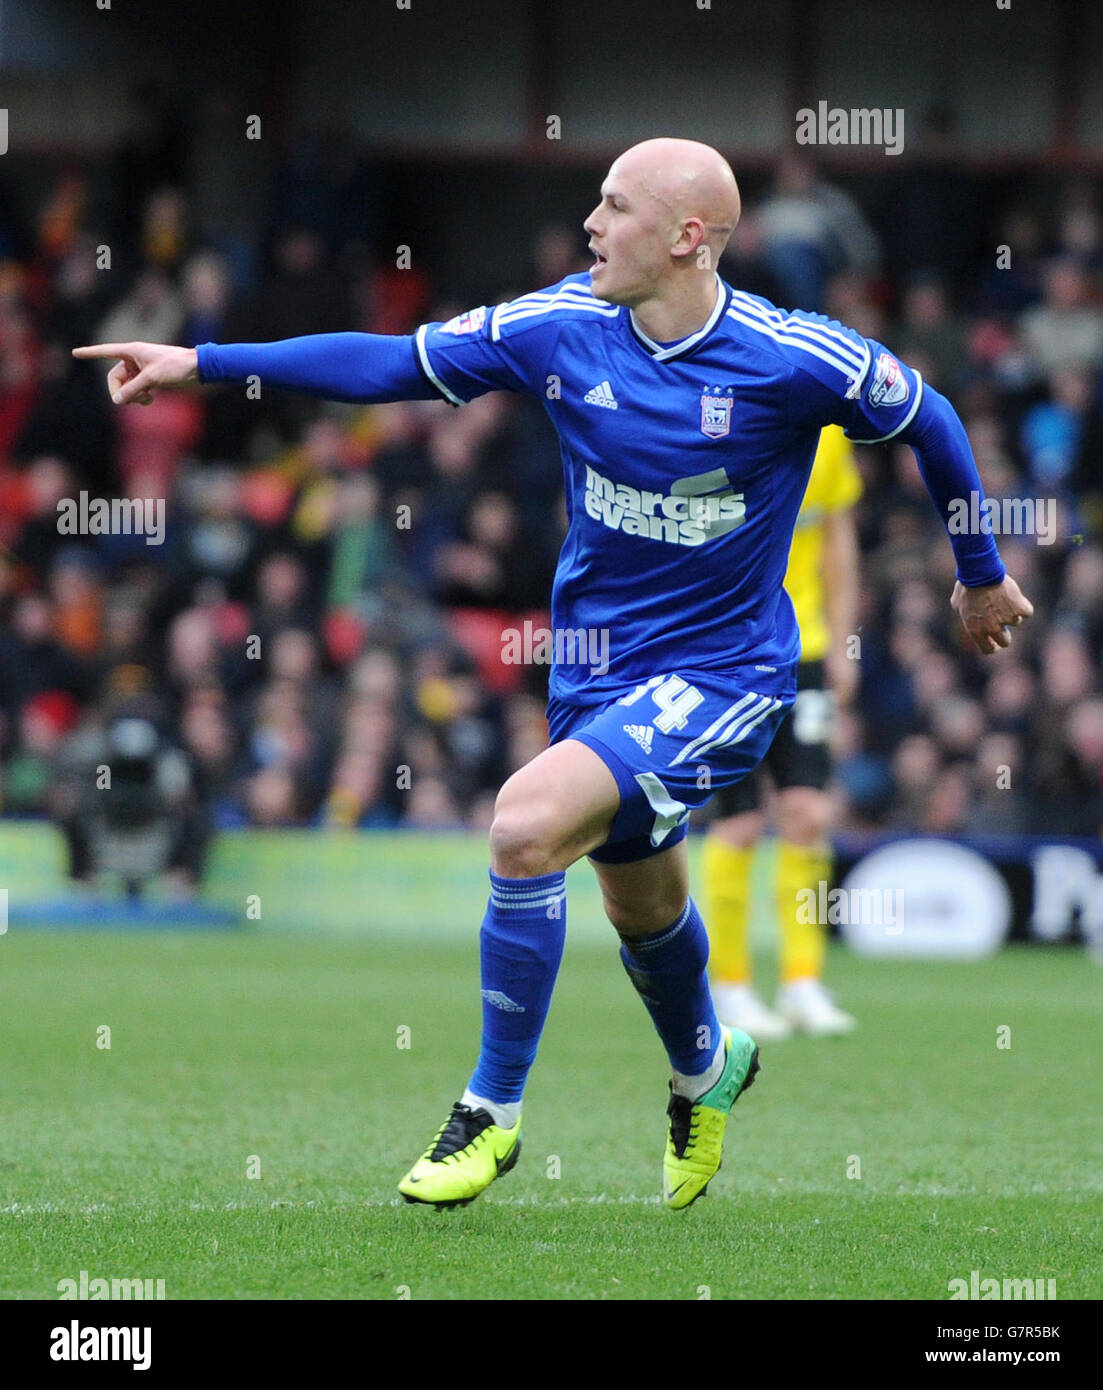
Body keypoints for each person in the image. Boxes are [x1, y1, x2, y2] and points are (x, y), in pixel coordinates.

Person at [74, 137, 1034, 1213]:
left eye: (614, 207)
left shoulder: (788, 355)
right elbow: (391, 364)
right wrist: (203, 361)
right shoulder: (560, 326)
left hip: (727, 673)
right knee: (640, 901)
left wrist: (981, 575)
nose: (590, 224)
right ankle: (705, 1066)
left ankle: (491, 1111)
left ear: (684, 238)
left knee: (524, 824)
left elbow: (933, 417)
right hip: (594, 671)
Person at [705, 424, 861, 1040]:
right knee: (739, 821)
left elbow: (837, 540)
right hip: (730, 652)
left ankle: (802, 981)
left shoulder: (828, 434)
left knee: (809, 814)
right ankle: (730, 986)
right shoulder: (720, 417)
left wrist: (845, 643)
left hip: (808, 647)